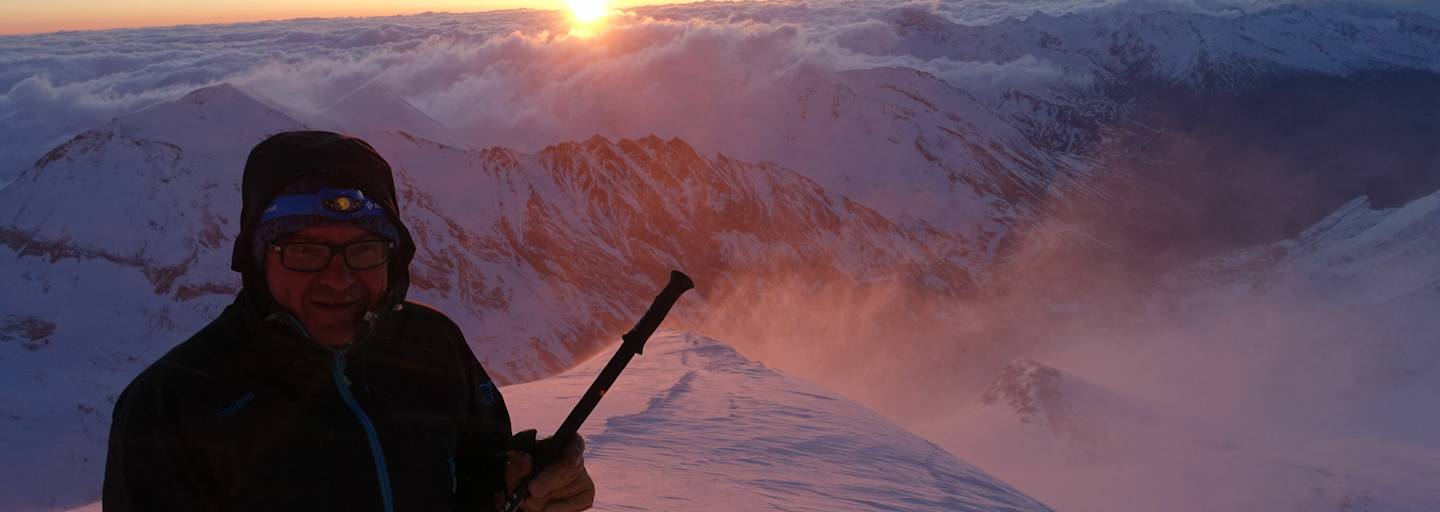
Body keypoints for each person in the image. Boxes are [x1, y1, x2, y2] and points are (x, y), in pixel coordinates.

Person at [102, 131, 595, 511]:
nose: (337, 279)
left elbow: (479, 477)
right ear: (258, 258)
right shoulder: (170, 408)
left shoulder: (434, 346)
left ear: (393, 257)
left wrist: (526, 487)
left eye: (362, 249)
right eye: (305, 250)